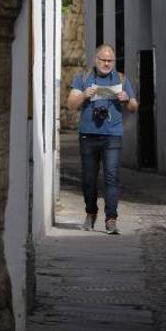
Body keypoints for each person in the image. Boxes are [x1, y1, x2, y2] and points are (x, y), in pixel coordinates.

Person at [67, 44, 138, 234]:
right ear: (95, 59)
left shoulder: (121, 79)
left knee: (112, 177)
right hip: (88, 135)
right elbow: (71, 104)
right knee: (89, 179)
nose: (107, 63)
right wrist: (84, 95)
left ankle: (111, 219)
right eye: (103, 60)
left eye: (110, 60)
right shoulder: (83, 78)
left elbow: (134, 106)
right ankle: (91, 213)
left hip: (112, 136)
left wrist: (126, 99)